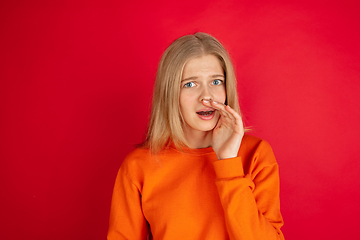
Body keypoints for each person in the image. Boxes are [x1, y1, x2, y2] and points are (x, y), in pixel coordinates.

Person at [107, 32, 284, 240]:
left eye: (216, 82)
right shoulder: (138, 167)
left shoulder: (256, 154)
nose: (206, 96)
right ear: (170, 93)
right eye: (190, 84)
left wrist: (228, 163)